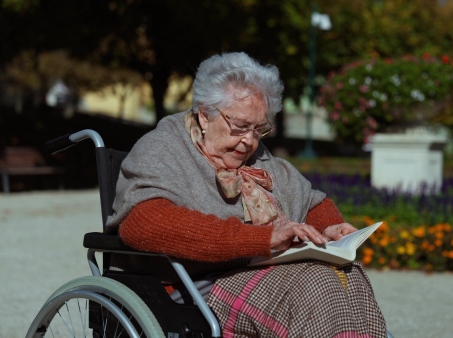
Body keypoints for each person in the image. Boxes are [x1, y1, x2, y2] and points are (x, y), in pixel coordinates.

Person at [107, 52, 388, 337]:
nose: (249, 141)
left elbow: (311, 201)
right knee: (315, 283)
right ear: (205, 115)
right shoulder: (163, 148)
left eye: (259, 129)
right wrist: (262, 239)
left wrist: (329, 229)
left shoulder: (260, 158)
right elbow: (144, 223)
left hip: (258, 273)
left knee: (348, 276)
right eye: (240, 127)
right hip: (192, 283)